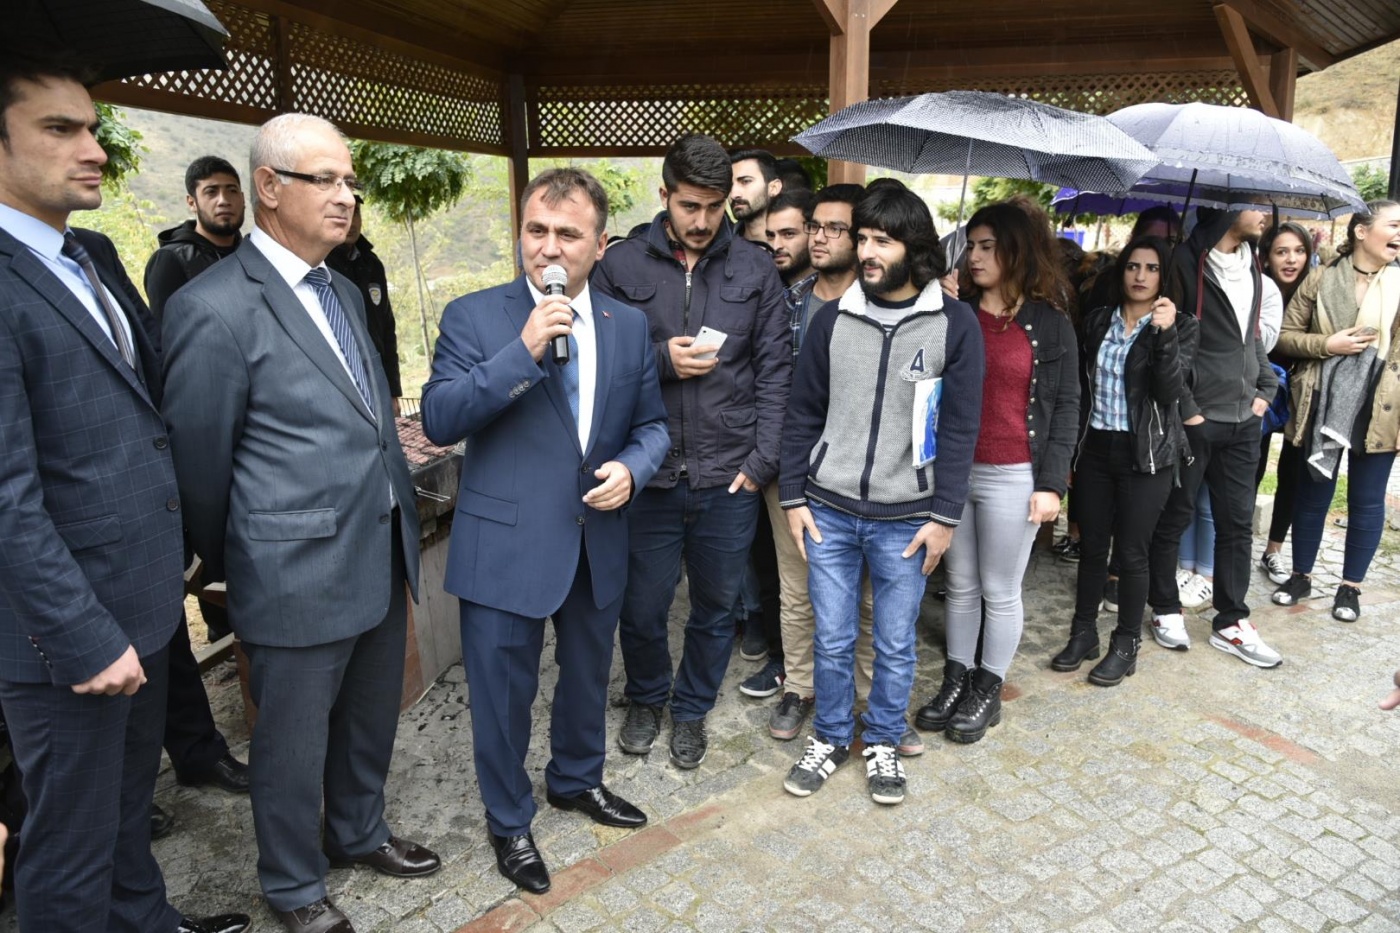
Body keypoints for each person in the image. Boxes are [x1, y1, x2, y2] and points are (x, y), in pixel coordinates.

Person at [161, 112, 438, 933]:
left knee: (369, 715)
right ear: (270, 188)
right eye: (327, 179)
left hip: (379, 545)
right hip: (291, 568)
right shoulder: (211, 308)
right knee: (289, 742)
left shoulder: (341, 288)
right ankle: (291, 884)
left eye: (350, 180)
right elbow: (200, 468)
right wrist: (248, 554)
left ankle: (357, 830)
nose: (347, 196)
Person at [0, 55, 248, 933]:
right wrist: (82, 634)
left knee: (125, 814)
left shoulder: (92, 253)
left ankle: (150, 922)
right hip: (67, 636)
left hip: (143, 600)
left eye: (94, 128)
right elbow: (7, 495)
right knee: (67, 852)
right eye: (59, 129)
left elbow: (144, 405)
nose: (94, 149)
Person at [423, 168, 669, 895]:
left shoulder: (628, 325)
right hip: (505, 544)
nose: (549, 247)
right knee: (502, 695)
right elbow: (439, 418)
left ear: (600, 244)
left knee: (588, 675)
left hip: (597, 534)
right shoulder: (474, 316)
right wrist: (522, 351)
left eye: (567, 233)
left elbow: (653, 427)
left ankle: (577, 778)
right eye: (537, 230)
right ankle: (508, 819)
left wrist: (633, 467)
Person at [780, 180, 984, 804]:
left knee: (894, 643)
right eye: (862, 238)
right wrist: (793, 497)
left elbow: (961, 427)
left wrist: (944, 516)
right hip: (830, 509)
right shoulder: (833, 319)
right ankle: (830, 736)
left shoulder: (954, 324)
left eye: (882, 241)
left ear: (914, 248)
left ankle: (883, 742)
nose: (866, 252)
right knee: (833, 638)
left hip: (908, 517)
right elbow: (801, 412)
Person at [595, 133, 790, 771]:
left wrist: (760, 464)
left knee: (715, 609)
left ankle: (691, 709)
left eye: (714, 206)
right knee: (641, 606)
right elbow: (599, 362)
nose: (703, 221)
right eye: (689, 206)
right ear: (664, 196)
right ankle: (647, 697)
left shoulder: (755, 268)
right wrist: (660, 361)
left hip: (728, 475)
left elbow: (776, 373)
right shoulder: (620, 266)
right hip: (647, 473)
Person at [923, 202, 1078, 742]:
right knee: (959, 585)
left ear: (1017, 251)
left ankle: (988, 689)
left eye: (988, 247)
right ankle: (956, 678)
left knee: (1000, 588)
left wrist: (1051, 484)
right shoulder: (952, 311)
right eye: (971, 245)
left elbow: (1066, 407)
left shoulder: (1051, 324)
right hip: (955, 469)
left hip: (1014, 474)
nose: (975, 256)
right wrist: (936, 313)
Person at [140, 153, 251, 806]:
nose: (224, 201)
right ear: (192, 202)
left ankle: (203, 742)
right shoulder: (173, 262)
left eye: (232, 191)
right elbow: (177, 361)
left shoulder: (253, 255)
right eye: (212, 192)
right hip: (204, 432)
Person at [1053, 236, 1193, 685]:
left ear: (1164, 276)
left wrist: (1164, 335)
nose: (1140, 276)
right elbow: (1079, 388)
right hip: (1096, 449)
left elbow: (1169, 392)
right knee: (1092, 548)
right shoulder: (1098, 320)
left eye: (1152, 268)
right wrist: (1070, 450)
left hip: (1146, 455)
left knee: (1132, 554)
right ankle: (1083, 634)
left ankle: (1126, 643)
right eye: (1134, 266)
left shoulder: (1181, 326)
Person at [1146, 208, 1280, 667]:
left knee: (1237, 523)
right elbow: (1168, 341)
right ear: (1227, 205)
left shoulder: (1253, 263)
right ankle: (1165, 607)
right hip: (1197, 419)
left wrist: (1266, 387)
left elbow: (1250, 334)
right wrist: (1189, 409)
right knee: (1175, 515)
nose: (1265, 213)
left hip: (1245, 419)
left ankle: (1231, 620)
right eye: (1254, 202)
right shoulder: (1183, 263)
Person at [1270, 200, 1400, 623]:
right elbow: (1284, 335)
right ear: (1362, 231)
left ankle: (1350, 588)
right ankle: (1301, 576)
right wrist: (1328, 345)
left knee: (1366, 500)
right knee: (1313, 494)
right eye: (1393, 225)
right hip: (1320, 398)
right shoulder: (1322, 277)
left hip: (1383, 403)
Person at [1255, 221, 1316, 586]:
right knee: (1252, 466)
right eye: (1282, 251)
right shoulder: (1256, 288)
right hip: (1261, 389)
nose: (1291, 259)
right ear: (1267, 257)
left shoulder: (1317, 291)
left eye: (1299, 251)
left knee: (1292, 472)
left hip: (1301, 390)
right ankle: (1233, 543)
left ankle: (1273, 550)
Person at [327, 195, 402, 404]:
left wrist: (393, 390)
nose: (351, 221)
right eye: (342, 212)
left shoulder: (372, 264)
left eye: (356, 213)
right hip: (342, 384)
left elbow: (387, 328)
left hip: (376, 378)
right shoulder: (320, 265)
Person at [729, 147, 782, 243]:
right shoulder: (722, 246)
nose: (734, 194)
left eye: (745, 181)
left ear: (774, 188)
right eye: (729, 185)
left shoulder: (795, 246)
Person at [765, 188, 815, 286]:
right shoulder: (760, 287)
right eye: (771, 236)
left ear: (813, 233)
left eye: (788, 234)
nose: (776, 246)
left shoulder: (841, 293)